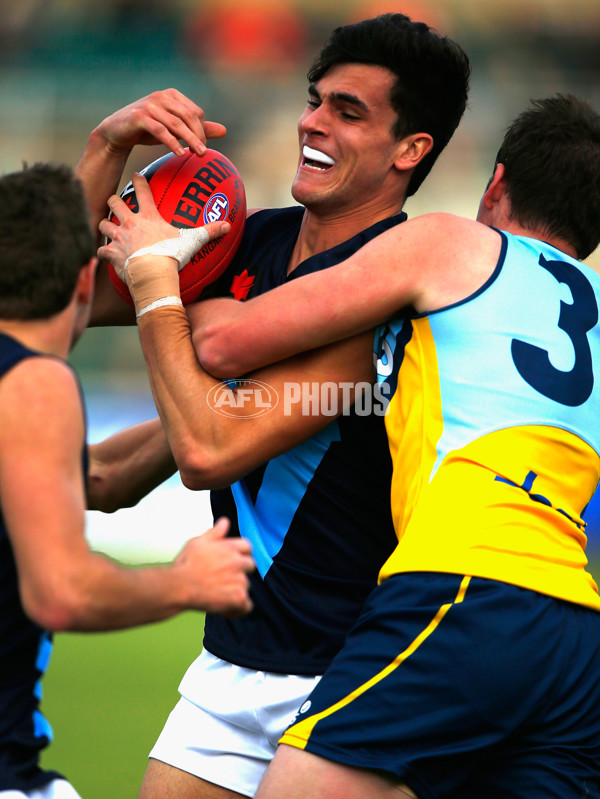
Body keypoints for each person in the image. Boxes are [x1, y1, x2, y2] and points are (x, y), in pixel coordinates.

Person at [107, 93, 600, 798]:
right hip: (576, 623)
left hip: (466, 584)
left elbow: (220, 341)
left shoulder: (449, 243)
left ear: (495, 184)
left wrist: (159, 271)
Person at [83, 12, 471, 798]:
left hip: (353, 668)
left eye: (348, 112)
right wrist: (106, 147)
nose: (312, 123)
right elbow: (55, 295)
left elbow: (209, 452)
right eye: (315, 99)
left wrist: (162, 285)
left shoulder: (400, 286)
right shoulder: (249, 240)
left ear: (411, 150)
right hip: (235, 659)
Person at [0, 163, 254, 799]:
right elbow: (61, 592)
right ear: (88, 281)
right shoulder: (33, 381)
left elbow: (99, 476)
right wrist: (184, 583)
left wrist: (224, 407)